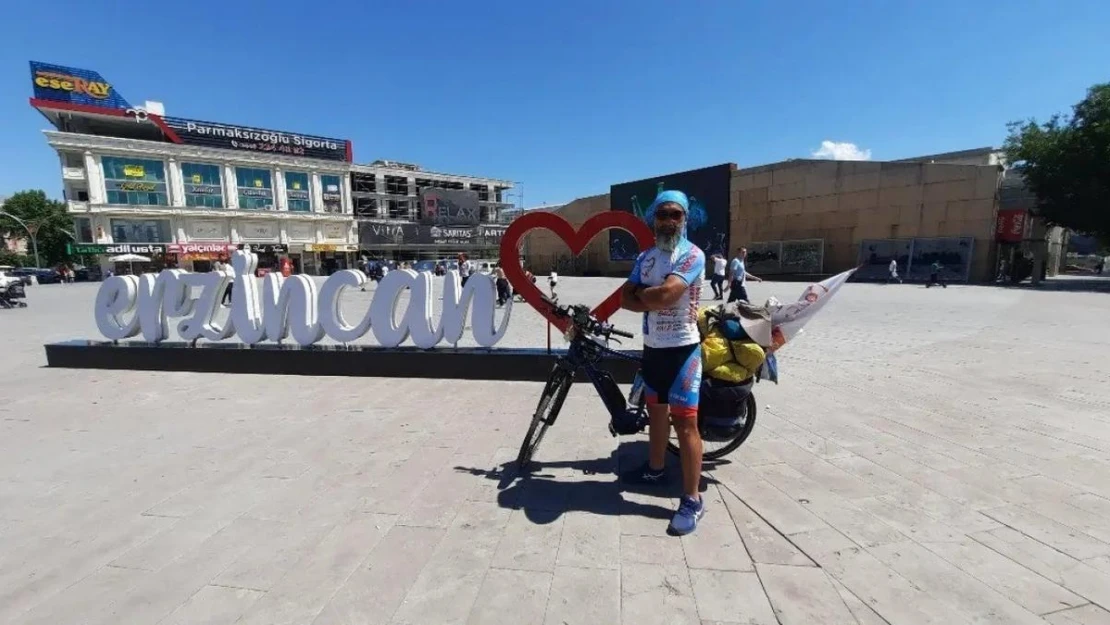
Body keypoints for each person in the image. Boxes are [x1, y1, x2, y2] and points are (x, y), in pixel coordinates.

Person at [619, 189, 707, 536]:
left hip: (683, 351)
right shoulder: (646, 257)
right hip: (652, 349)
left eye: (676, 215)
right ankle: (655, 469)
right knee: (655, 412)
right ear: (653, 218)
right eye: (663, 214)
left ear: (685, 219)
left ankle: (692, 500)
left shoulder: (692, 255)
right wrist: (646, 298)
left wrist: (644, 296)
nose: (669, 221)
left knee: (685, 425)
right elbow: (624, 298)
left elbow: (668, 294)